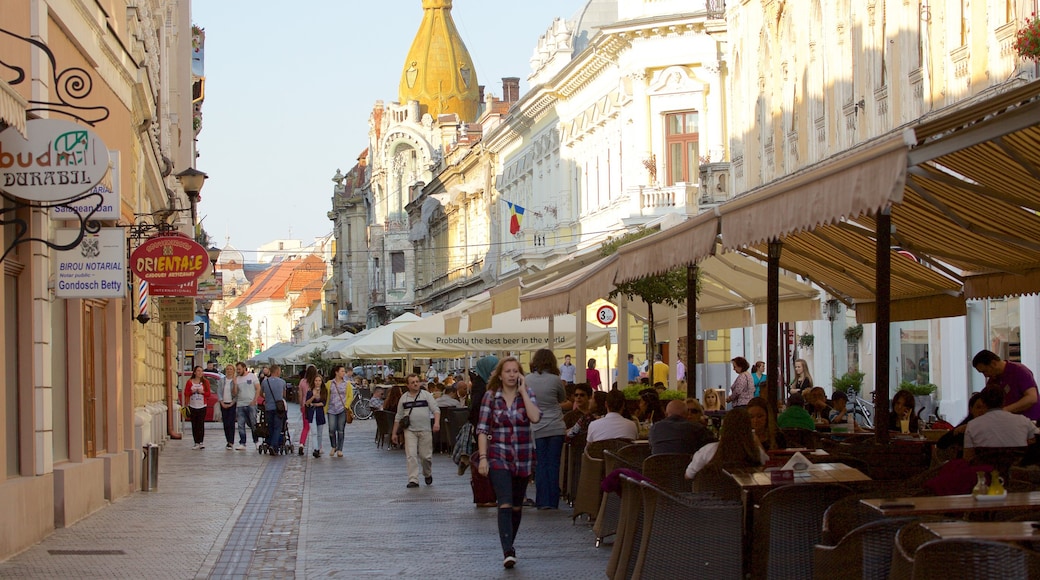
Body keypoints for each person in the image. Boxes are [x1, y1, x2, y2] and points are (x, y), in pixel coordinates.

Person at [475, 356, 541, 569]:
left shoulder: (527, 395)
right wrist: (484, 458)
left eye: (515, 371)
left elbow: (535, 418)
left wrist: (523, 392)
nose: (512, 375)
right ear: (500, 375)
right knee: (504, 501)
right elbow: (483, 429)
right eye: (508, 371)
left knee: (516, 506)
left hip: (522, 457)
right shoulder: (491, 397)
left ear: (520, 374)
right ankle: (507, 550)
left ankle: (509, 542)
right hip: (498, 456)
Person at [523, 348, 567, 510]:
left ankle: (542, 500)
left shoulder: (527, 380)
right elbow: (562, 398)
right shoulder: (556, 380)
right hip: (556, 426)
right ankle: (552, 500)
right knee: (554, 464)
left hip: (537, 426)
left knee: (541, 464)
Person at [685, 407, 768, 480]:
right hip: (744, 496)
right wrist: (756, 442)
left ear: (724, 427)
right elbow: (767, 468)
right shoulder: (756, 452)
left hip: (713, 495)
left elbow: (688, 475)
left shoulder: (707, 450)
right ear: (749, 428)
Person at [963, 385, 1038, 461]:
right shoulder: (1023, 421)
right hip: (1016, 470)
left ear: (983, 402)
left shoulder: (972, 425)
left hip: (985, 470)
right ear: (1004, 401)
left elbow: (968, 458)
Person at [392, 373, 441, 488]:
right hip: (410, 430)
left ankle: (427, 473)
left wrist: (437, 423)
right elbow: (398, 416)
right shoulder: (403, 398)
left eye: (417, 381)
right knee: (411, 455)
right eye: (412, 382)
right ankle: (413, 479)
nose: (415, 384)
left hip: (425, 429)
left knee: (426, 456)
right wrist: (394, 433)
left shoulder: (426, 395)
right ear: (407, 385)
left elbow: (436, 409)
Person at [972, 349, 1040, 421]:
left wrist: (1005, 410)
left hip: (1030, 421)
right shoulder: (992, 381)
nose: (985, 375)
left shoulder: (1019, 371)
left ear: (993, 363)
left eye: (985, 371)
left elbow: (1032, 398)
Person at [468, 355, 499, 507]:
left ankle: (487, 495)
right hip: (484, 430)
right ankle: (485, 496)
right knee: (484, 460)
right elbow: (475, 409)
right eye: (494, 369)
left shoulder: (481, 384)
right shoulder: (481, 387)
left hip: (484, 429)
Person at [649, 400, 716, 455]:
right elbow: (713, 448)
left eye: (694, 411)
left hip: (658, 469)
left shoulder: (655, 428)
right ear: (686, 414)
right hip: (686, 469)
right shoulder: (696, 429)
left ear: (666, 414)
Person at [937, 392, 986, 457]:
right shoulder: (965, 427)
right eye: (978, 407)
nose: (982, 411)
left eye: (985, 407)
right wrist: (956, 431)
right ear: (971, 409)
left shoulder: (991, 426)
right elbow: (941, 443)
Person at [326, 364, 353, 458]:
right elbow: (326, 395)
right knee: (331, 429)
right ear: (336, 372)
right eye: (341, 371)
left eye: (344, 371)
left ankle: (340, 449)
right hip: (331, 409)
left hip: (342, 409)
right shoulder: (330, 383)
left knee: (341, 430)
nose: (343, 373)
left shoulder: (347, 383)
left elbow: (350, 396)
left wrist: (346, 405)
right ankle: (333, 446)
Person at [233, 362, 260, 450]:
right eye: (237, 369)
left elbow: (258, 388)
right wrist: (235, 383)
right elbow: (235, 393)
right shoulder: (237, 378)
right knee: (241, 424)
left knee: (253, 423)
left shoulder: (252, 376)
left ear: (244, 368)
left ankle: (256, 441)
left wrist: (254, 400)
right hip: (240, 404)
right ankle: (242, 443)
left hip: (251, 404)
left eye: (239, 369)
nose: (238, 371)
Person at [261, 365, 288, 452]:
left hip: (268, 407)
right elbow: (284, 395)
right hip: (279, 408)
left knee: (271, 426)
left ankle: (270, 443)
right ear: (277, 371)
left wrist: (267, 398)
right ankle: (273, 445)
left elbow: (261, 393)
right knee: (278, 427)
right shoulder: (282, 382)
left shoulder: (265, 382)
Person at [184, 366, 211, 450]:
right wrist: (191, 392)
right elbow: (186, 393)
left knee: (201, 424)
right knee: (194, 424)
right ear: (194, 372)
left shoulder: (205, 382)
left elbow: (208, 394)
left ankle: (201, 442)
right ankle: (196, 442)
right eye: (198, 371)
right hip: (192, 405)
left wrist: (202, 392)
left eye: (201, 371)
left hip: (202, 405)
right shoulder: (189, 382)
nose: (200, 373)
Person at [297, 365, 318, 455]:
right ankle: (317, 447)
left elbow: (300, 395)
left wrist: (301, 405)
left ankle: (301, 444)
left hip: (305, 406)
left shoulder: (302, 381)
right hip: (314, 406)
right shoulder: (316, 382)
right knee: (316, 428)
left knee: (305, 427)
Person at [218, 364, 237, 450]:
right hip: (223, 402)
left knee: (231, 423)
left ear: (233, 371)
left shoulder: (235, 381)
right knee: (225, 423)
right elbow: (219, 391)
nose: (229, 371)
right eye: (228, 369)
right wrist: (221, 402)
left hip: (232, 403)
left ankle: (231, 442)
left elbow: (237, 393)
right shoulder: (222, 380)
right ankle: (227, 440)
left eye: (231, 369)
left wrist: (232, 403)